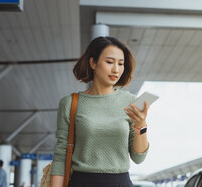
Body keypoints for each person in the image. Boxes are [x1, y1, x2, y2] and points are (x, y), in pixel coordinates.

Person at [50, 36, 150, 187]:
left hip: (120, 182)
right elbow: (60, 156)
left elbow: (138, 158)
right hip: (81, 182)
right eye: (109, 62)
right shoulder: (70, 103)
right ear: (93, 63)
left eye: (121, 64)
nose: (116, 69)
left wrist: (141, 126)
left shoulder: (130, 102)